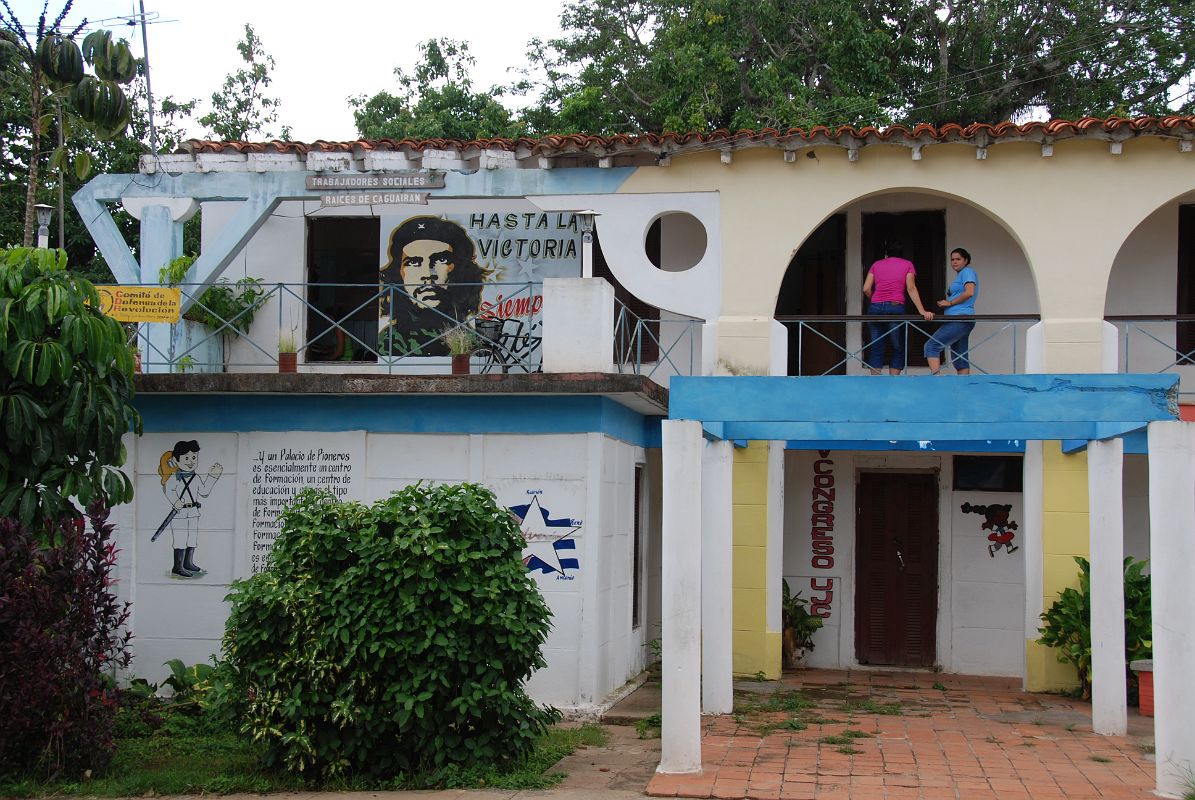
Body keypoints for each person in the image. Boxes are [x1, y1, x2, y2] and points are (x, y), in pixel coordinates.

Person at [378, 216, 486, 356]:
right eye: (413, 263)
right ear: (399, 273)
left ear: (459, 269)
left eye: (441, 260)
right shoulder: (389, 342)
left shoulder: (471, 342)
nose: (427, 274)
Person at [862, 243, 934, 375]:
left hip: (875, 307)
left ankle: (875, 381)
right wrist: (922, 310)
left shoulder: (876, 265)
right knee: (898, 346)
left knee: (876, 346)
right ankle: (893, 381)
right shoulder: (907, 264)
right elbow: (911, 288)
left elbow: (866, 288)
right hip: (895, 307)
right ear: (902, 253)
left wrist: (875, 299)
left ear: (886, 254)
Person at [156, 440, 223, 579]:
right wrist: (175, 501)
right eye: (186, 458)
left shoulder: (195, 477)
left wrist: (212, 477)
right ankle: (178, 566)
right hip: (179, 513)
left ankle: (188, 562)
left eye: (194, 457)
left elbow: (204, 491)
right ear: (176, 460)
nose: (191, 461)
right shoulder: (174, 477)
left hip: (193, 512)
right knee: (180, 538)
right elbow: (168, 490)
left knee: (192, 537)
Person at [925, 247, 979, 374]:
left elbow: (969, 292)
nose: (954, 262)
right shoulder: (961, 275)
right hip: (961, 319)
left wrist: (949, 303)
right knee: (960, 358)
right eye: (952, 259)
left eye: (958, 259)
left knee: (931, 346)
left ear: (965, 260)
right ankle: (963, 387)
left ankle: (937, 380)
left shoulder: (967, 272)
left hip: (960, 318)